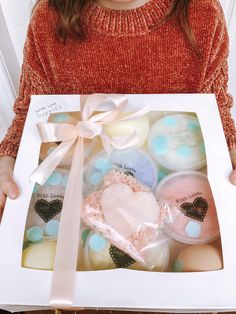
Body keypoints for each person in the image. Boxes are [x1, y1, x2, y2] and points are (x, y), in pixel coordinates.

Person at [0, 0, 236, 220]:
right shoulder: (47, 20)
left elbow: (216, 111)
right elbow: (31, 113)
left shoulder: (204, 15)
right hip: (80, 199)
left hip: (175, 198)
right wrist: (8, 157)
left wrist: (231, 150)